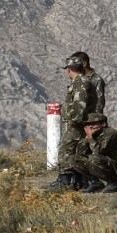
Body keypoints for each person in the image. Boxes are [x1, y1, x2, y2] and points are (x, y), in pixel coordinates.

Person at [44, 56, 96, 190]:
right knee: (76, 151)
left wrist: (75, 120)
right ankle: (77, 180)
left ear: (69, 69)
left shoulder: (80, 82)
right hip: (77, 123)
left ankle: (64, 180)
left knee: (65, 150)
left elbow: (80, 103)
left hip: (77, 124)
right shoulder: (81, 81)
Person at [60, 113, 117, 193]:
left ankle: (113, 183)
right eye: (88, 124)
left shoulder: (111, 133)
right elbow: (80, 152)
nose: (90, 126)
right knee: (74, 158)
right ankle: (95, 182)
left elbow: (98, 151)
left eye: (93, 123)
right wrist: (87, 138)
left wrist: (90, 138)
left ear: (103, 124)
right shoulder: (94, 134)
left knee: (94, 158)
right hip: (107, 165)